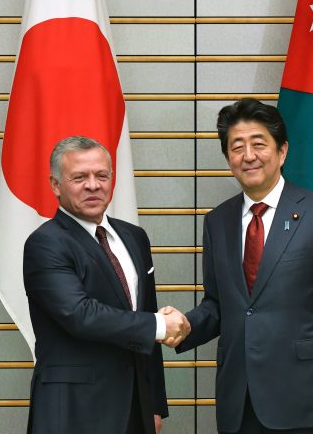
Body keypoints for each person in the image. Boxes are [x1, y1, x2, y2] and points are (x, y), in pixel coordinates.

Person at [175, 99, 313, 434]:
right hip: (239, 399)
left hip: (305, 397)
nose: (248, 156)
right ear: (228, 157)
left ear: (282, 151)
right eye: (237, 147)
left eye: (259, 144)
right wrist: (184, 326)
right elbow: (219, 304)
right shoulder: (217, 221)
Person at [23, 136, 191, 434]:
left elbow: (146, 313)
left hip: (134, 409)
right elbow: (80, 315)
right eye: (79, 177)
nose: (93, 185)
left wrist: (153, 404)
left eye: (102, 175)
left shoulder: (134, 237)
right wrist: (161, 326)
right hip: (74, 411)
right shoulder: (45, 243)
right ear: (55, 185)